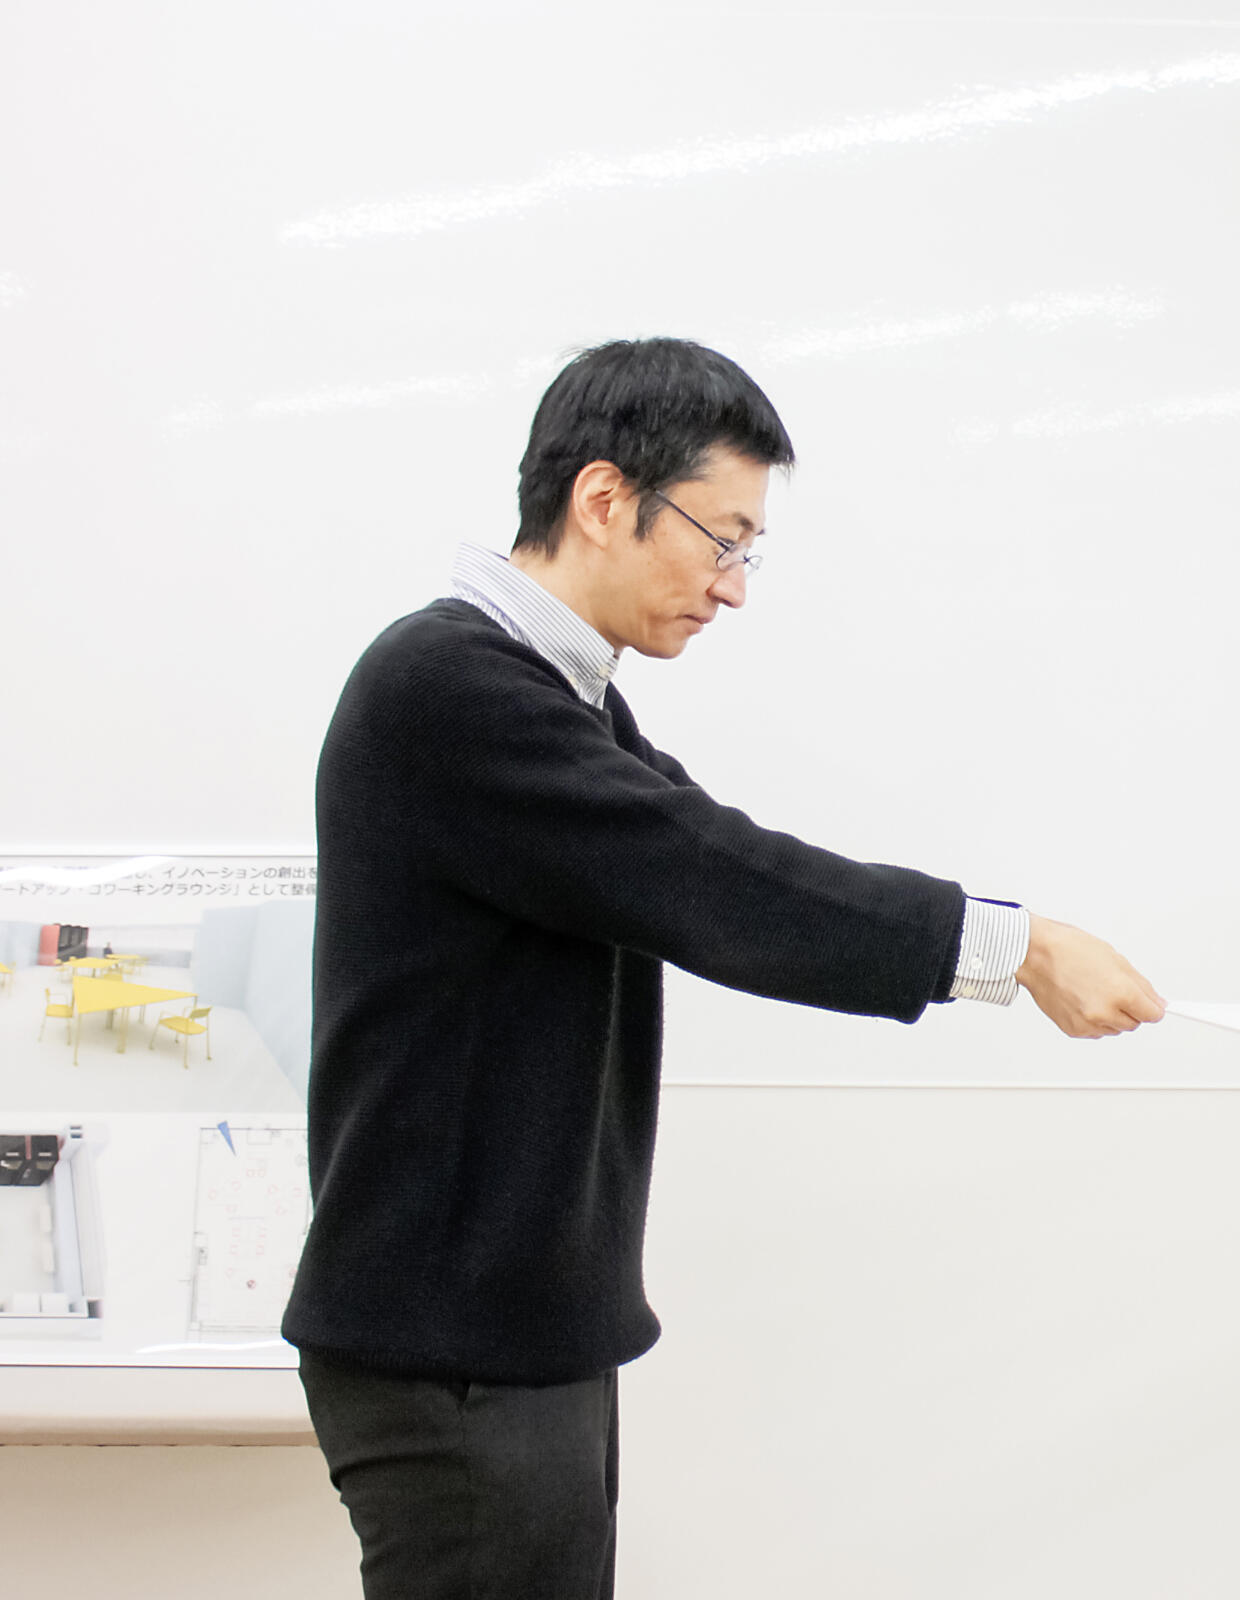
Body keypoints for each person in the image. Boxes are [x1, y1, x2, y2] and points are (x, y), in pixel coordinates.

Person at [284, 337, 1166, 1600]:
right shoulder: (449, 690)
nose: (734, 587)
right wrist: (1014, 947)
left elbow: (710, 861)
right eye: (723, 538)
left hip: (502, 1332)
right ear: (604, 499)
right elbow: (717, 882)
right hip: (454, 1347)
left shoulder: (562, 695)